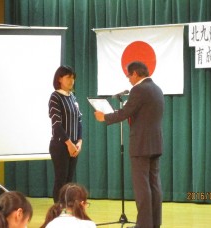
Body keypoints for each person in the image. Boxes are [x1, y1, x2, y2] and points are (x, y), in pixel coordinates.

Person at [94, 61, 164, 228]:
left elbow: (126, 112)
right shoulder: (157, 89)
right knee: (154, 184)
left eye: (129, 77)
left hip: (141, 145)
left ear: (135, 74)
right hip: (155, 143)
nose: (129, 80)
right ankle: (154, 223)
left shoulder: (139, 89)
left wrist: (105, 117)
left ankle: (144, 225)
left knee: (142, 188)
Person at [48, 65, 83, 203]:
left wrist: (79, 142)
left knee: (69, 182)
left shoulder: (72, 97)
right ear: (59, 79)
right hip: (60, 145)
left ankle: (67, 210)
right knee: (60, 180)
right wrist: (69, 143)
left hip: (74, 146)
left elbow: (79, 120)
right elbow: (56, 124)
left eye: (73, 77)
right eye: (68, 77)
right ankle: (57, 212)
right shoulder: (55, 97)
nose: (71, 80)